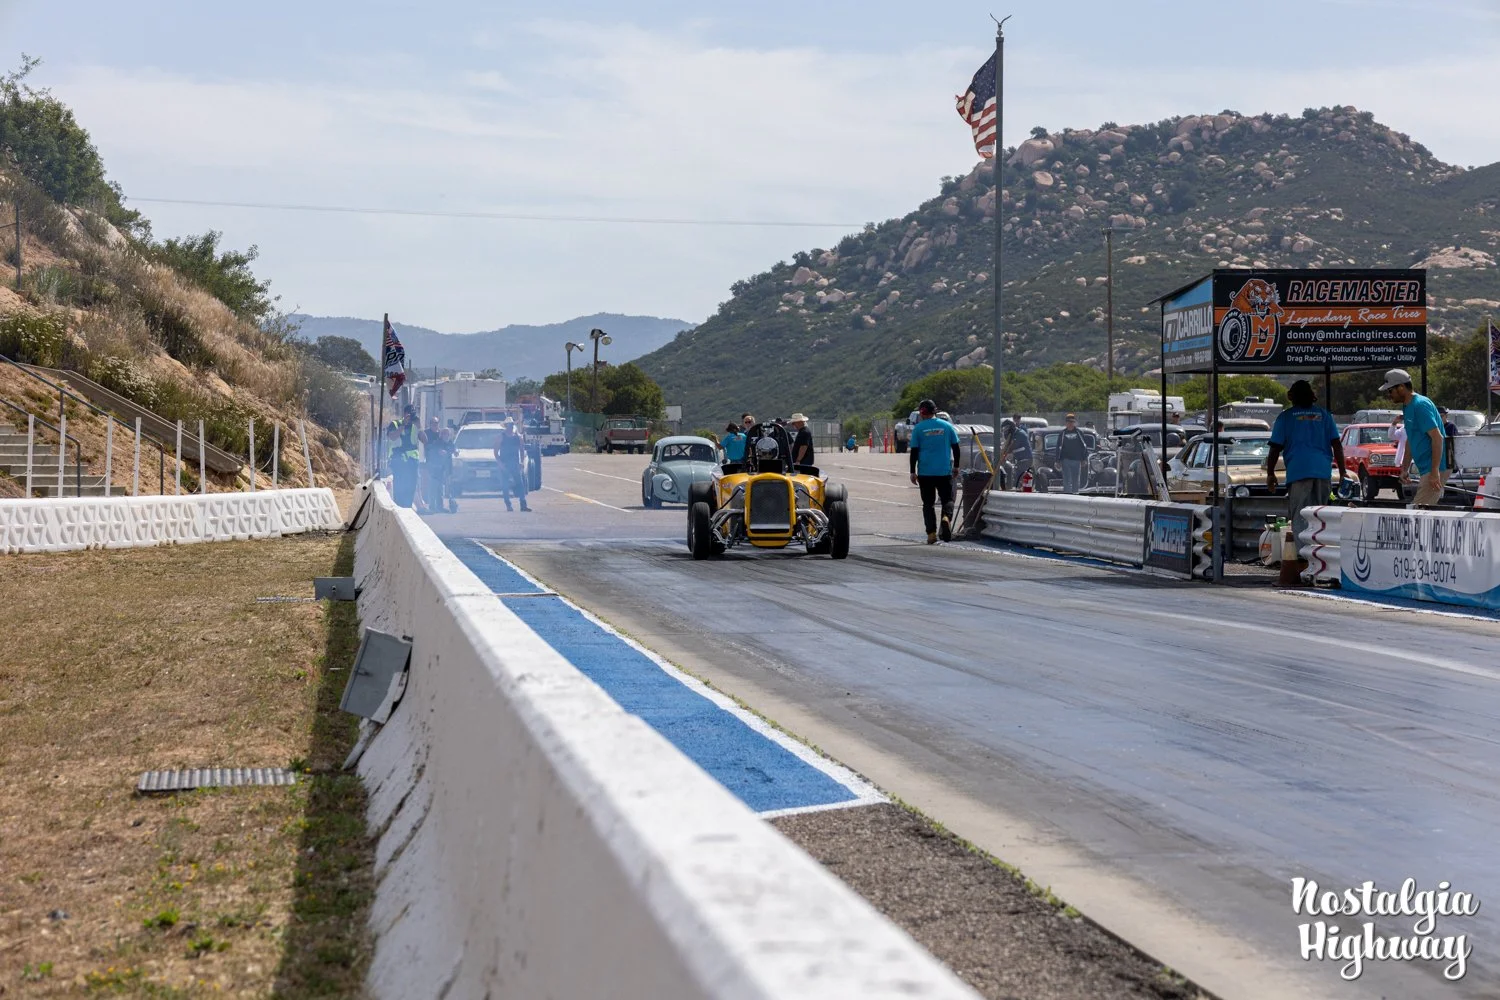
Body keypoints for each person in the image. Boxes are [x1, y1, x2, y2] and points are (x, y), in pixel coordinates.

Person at [1266, 380, 1346, 560]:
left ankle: (1304, 559)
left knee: (1301, 516)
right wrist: (1343, 472)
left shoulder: (1285, 418)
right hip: (1322, 472)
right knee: (1320, 516)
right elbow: (1337, 445)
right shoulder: (1324, 415)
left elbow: (1275, 448)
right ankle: (1320, 558)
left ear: (1292, 397)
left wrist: (1270, 474)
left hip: (1298, 472)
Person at [1381, 368, 1447, 506]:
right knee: (1421, 511)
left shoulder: (1420, 405)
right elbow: (1410, 440)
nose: (1389, 395)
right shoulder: (1407, 407)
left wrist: (1434, 471)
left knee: (1417, 512)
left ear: (1401, 387)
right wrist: (1404, 469)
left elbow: (1437, 438)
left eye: (1390, 390)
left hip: (1435, 467)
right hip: (1428, 468)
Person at [908, 399, 962, 544]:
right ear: (935, 411)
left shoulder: (918, 429)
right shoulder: (947, 426)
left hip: (925, 473)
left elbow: (914, 452)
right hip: (944, 471)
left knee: (928, 504)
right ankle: (946, 517)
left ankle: (931, 534)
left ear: (921, 413)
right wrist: (956, 466)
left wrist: (912, 471)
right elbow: (956, 448)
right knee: (947, 499)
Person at [492, 421, 531, 512]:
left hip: (515, 464)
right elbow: (496, 452)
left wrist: (521, 462)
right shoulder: (501, 437)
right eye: (509, 425)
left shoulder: (518, 437)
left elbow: (522, 450)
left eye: (512, 425)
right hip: (505, 464)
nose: (510, 427)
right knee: (505, 485)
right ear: (506, 426)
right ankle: (508, 505)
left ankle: (523, 504)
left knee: (520, 484)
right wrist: (500, 464)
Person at [387, 406, 421, 508]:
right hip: (399, 461)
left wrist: (419, 426)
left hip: (412, 462)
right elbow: (392, 437)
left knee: (411, 486)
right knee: (399, 486)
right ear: (405, 414)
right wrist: (403, 425)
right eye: (410, 414)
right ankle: (399, 507)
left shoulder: (415, 426)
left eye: (413, 414)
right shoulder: (395, 424)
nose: (411, 417)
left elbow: (425, 440)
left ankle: (408, 507)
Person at [1058, 413, 1090, 494]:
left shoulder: (1079, 432)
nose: (1070, 424)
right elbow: (1058, 447)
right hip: (1065, 460)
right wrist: (1057, 460)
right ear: (1066, 423)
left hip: (1077, 460)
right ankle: (1067, 496)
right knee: (1067, 480)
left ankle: (1075, 495)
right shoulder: (1062, 433)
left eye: (1072, 422)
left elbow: (1084, 446)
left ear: (1074, 422)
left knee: (1076, 480)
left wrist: (1084, 459)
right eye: (1069, 422)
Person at [1002, 417, 1033, 489]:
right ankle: (1015, 487)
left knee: (1017, 473)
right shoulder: (1014, 434)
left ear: (1010, 428)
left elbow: (1011, 447)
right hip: (1019, 459)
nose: (1005, 431)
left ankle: (1019, 488)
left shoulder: (1019, 434)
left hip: (1026, 459)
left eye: (1006, 428)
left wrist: (1004, 453)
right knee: (1013, 469)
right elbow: (1006, 445)